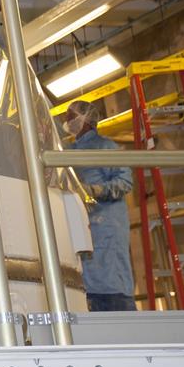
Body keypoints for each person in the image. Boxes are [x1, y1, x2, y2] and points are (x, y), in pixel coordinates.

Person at [65, 99, 137, 311]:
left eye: (71, 116)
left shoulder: (105, 147)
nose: (67, 121)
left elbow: (125, 182)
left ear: (86, 119)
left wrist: (96, 190)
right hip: (79, 227)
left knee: (110, 278)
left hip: (106, 225)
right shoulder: (66, 151)